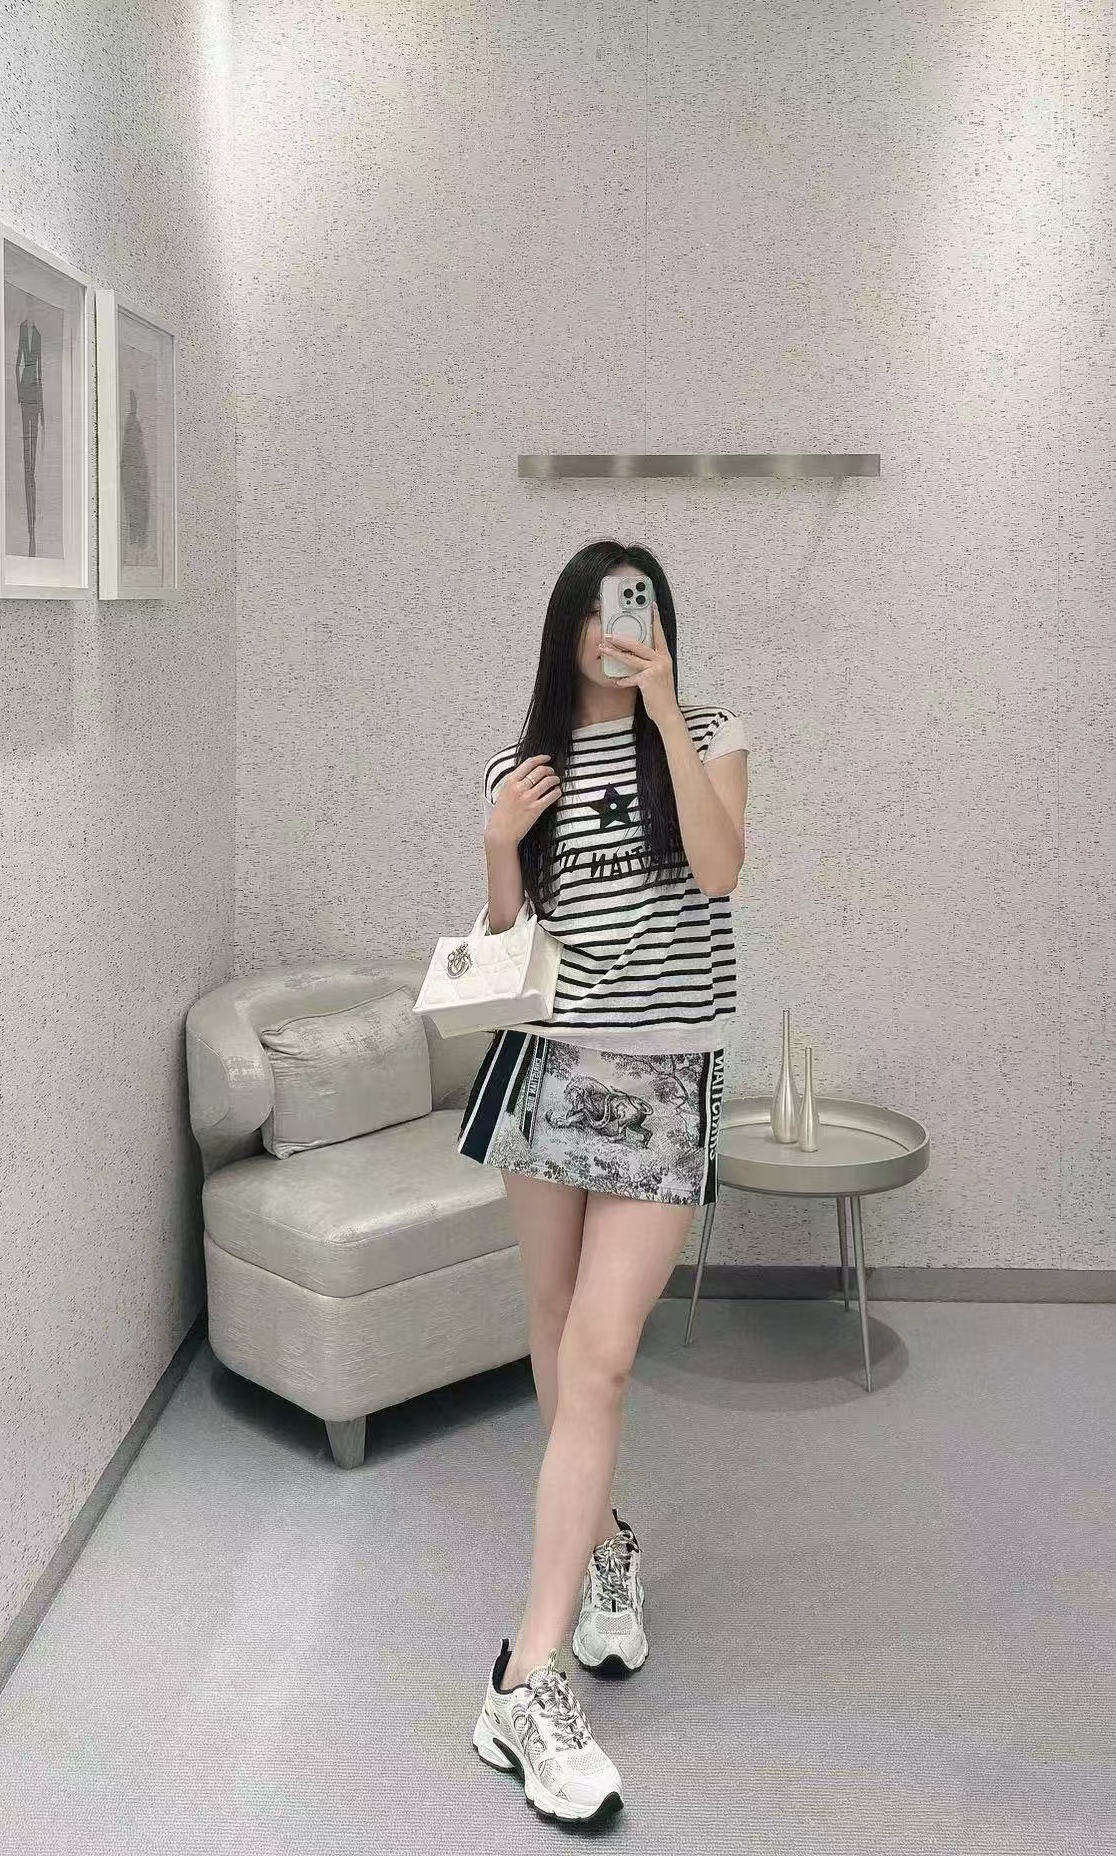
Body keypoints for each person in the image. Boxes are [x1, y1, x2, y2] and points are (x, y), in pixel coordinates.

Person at [460, 539, 749, 1825]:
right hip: (546, 1067)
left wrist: (667, 709)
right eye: (588, 607)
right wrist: (497, 842)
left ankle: (522, 1674)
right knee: (550, 1325)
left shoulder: (711, 732)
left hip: (662, 1077)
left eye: (628, 605)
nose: (607, 626)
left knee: (603, 1355)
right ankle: (604, 1548)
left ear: (658, 621)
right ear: (560, 627)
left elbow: (718, 870)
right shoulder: (521, 765)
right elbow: (504, 945)